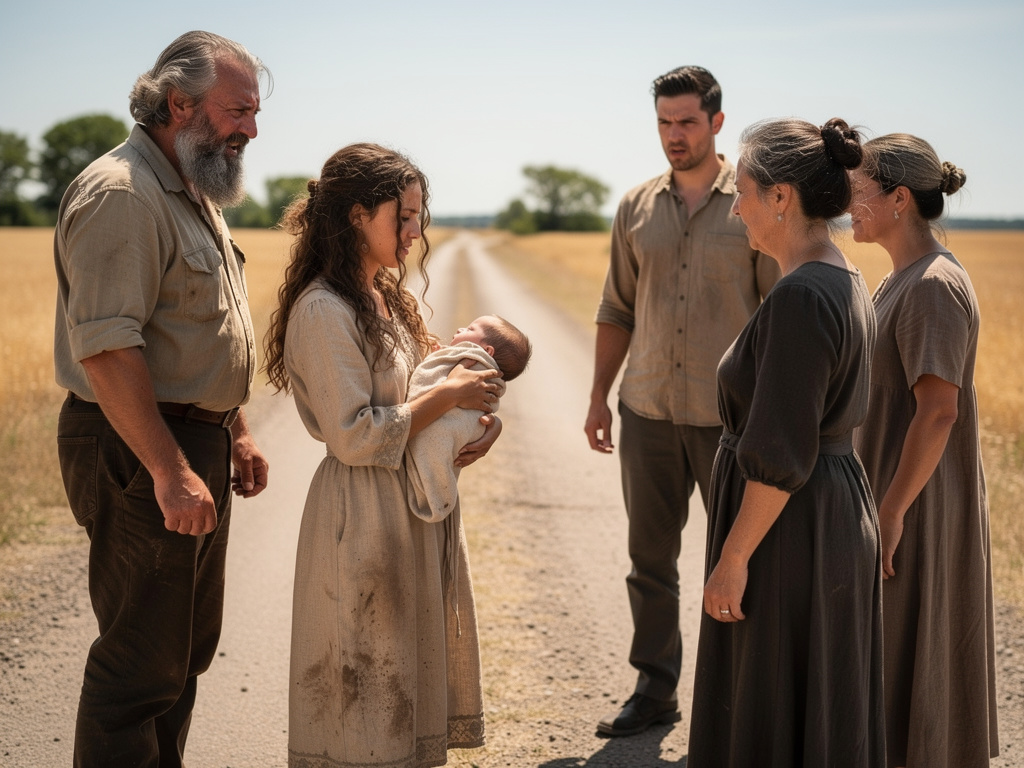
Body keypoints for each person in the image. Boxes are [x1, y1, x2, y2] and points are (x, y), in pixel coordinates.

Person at [53, 31, 270, 767]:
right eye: (238, 110)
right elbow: (109, 349)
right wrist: (171, 470)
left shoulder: (192, 187)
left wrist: (233, 431)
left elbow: (195, 331)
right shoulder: (123, 193)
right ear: (179, 104)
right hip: (139, 442)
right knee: (140, 665)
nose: (252, 128)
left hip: (188, 440)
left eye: (254, 112)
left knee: (182, 656)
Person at [263, 143, 501, 766]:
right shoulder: (322, 309)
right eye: (405, 215)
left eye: (419, 215)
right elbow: (355, 435)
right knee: (364, 683)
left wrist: (469, 424)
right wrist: (451, 390)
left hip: (409, 510)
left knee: (405, 679)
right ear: (355, 216)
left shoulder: (386, 298)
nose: (416, 231)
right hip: (361, 518)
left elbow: (419, 397)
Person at [585, 65, 779, 737]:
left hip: (729, 421)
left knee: (739, 560)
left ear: (717, 123)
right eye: (664, 122)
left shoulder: (751, 204)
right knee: (649, 562)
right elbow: (616, 307)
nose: (674, 134)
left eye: (687, 121)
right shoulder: (635, 206)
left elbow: (778, 314)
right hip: (647, 411)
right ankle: (655, 691)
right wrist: (598, 399)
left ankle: (738, 704)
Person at [685, 117, 885, 766]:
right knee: (811, 707)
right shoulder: (841, 277)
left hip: (793, 530)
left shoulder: (802, 295)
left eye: (742, 190)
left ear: (781, 197)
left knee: (772, 701)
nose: (735, 206)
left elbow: (779, 457)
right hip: (825, 515)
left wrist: (734, 557)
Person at [850, 135, 998, 767]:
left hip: (918, 504)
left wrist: (889, 513)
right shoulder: (902, 277)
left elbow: (939, 412)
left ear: (898, 198)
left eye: (857, 192)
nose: (845, 205)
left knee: (913, 650)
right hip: (901, 496)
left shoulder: (933, 285)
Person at [406, 314, 531, 522]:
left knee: (433, 444)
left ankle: (432, 491)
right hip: (448, 422)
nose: (461, 329)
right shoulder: (463, 361)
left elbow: (430, 383)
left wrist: (441, 362)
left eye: (471, 330)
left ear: (486, 352)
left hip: (444, 426)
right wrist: (441, 359)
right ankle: (435, 492)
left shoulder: (474, 362)